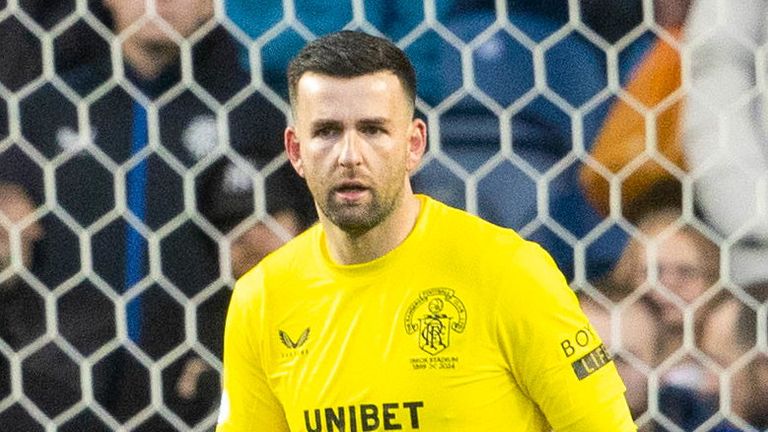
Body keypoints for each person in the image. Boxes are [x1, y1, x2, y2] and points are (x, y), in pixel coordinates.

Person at [216, 30, 635, 431]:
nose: (349, 155)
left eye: (373, 130)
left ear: (414, 144)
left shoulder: (509, 273)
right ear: (295, 151)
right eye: (327, 131)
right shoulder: (262, 300)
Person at [0, 0, 313, 428]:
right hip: (49, 389)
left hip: (195, 388)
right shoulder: (41, 108)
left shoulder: (254, 113)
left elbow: (277, 259)